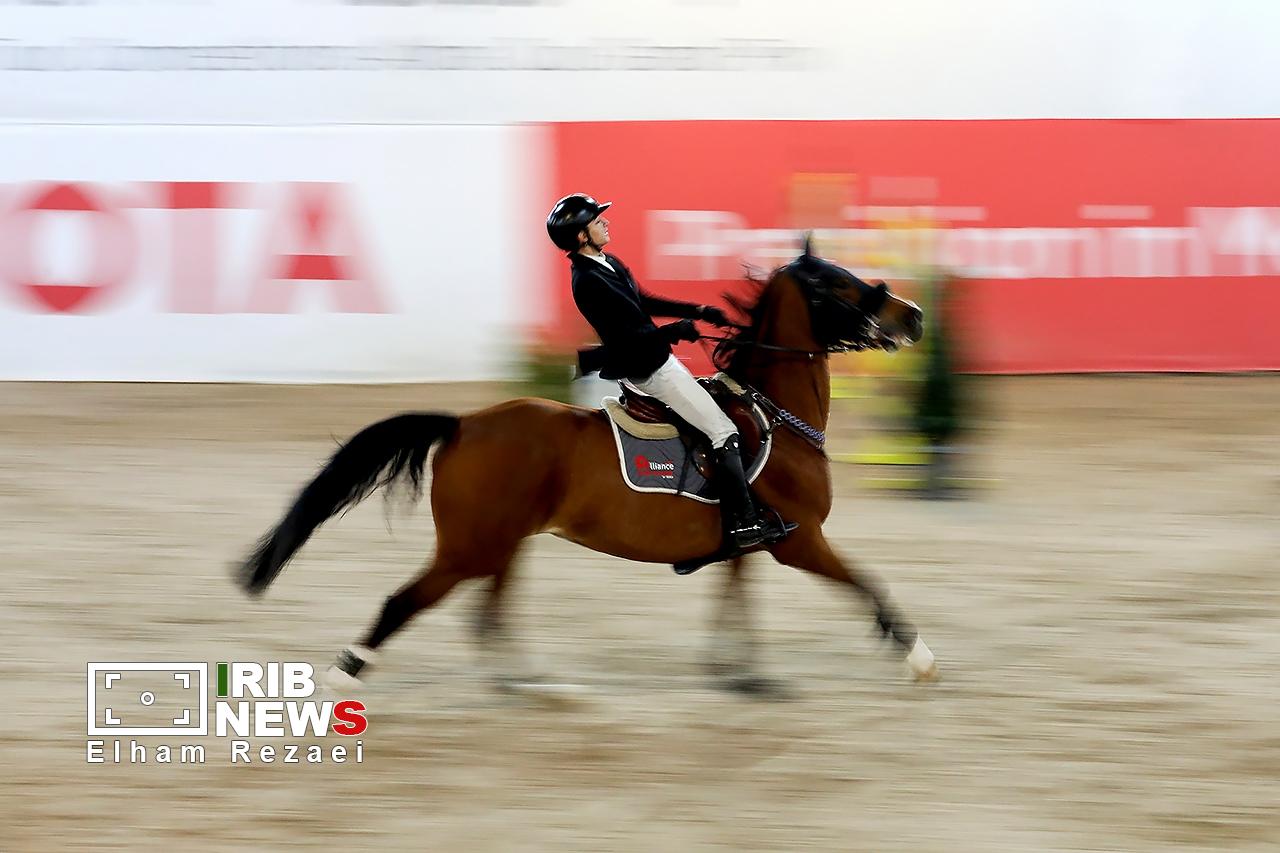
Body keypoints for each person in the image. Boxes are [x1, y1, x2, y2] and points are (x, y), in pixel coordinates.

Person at [546, 192, 792, 555]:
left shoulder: (607, 262)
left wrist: (699, 310)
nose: (606, 222)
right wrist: (675, 331)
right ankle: (743, 522)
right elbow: (630, 338)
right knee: (723, 431)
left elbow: (644, 301)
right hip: (648, 369)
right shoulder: (587, 280)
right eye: (597, 221)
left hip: (658, 358)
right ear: (582, 236)